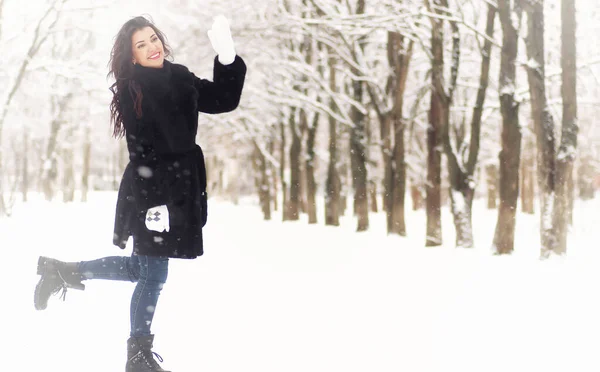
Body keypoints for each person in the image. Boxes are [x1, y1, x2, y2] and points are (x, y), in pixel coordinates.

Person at [34, 14, 246, 372]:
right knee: (153, 274)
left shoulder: (180, 77)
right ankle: (138, 353)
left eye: (153, 38)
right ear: (131, 56)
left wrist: (227, 60)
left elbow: (223, 100)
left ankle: (63, 271)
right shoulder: (134, 89)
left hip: (182, 185)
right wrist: (155, 204)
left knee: (141, 268)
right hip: (152, 187)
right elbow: (142, 153)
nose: (152, 46)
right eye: (141, 44)